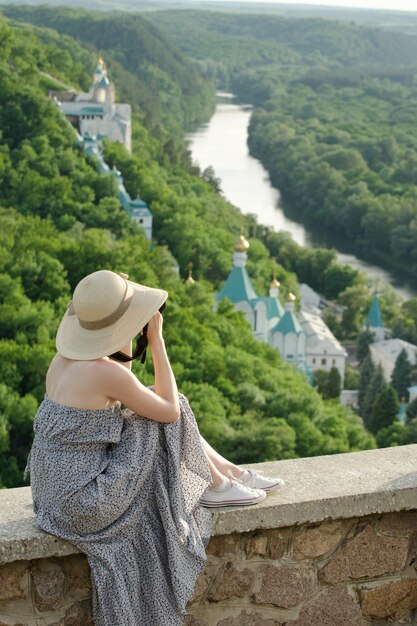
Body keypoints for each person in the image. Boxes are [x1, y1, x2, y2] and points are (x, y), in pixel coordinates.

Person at [25, 269, 284, 626]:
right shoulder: (107, 374)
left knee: (150, 400)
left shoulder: (64, 361)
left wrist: (123, 317)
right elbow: (170, 412)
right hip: (85, 504)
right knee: (167, 406)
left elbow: (120, 362)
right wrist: (157, 340)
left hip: (52, 495)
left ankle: (228, 475)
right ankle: (217, 485)